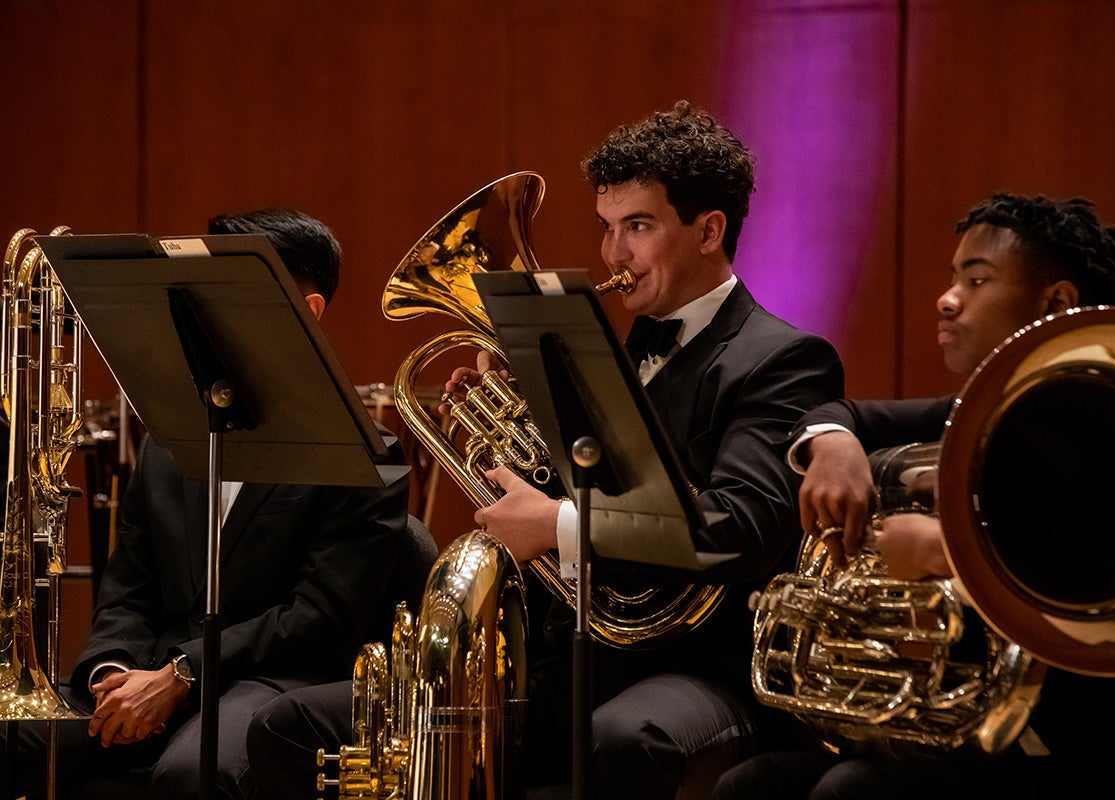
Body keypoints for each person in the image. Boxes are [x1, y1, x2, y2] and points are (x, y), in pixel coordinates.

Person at [243, 100, 845, 800]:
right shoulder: (606, 353)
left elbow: (738, 530)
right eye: (606, 228)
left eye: (638, 227)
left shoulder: (781, 360)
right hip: (569, 654)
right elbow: (574, 495)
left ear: (709, 230)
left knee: (620, 737)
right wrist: (513, 428)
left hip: (697, 666)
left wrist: (558, 523)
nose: (613, 254)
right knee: (289, 726)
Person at [713, 194, 1115, 799]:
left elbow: (1097, 547)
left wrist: (946, 553)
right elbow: (841, 414)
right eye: (953, 278)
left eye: (977, 279)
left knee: (850, 790)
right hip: (987, 732)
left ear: (1057, 303)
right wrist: (832, 445)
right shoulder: (971, 414)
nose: (947, 298)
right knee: (751, 785)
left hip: (1098, 735)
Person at [3, 209, 431, 800]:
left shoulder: (365, 454)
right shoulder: (167, 440)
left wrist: (182, 674)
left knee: (191, 774)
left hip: (273, 685)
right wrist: (112, 669)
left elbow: (316, 620)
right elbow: (127, 590)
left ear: (306, 311)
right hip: (153, 671)